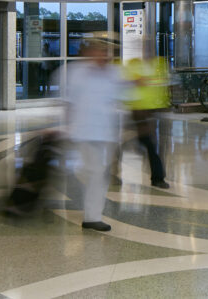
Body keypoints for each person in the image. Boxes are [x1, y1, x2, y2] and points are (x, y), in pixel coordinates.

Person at [65, 38, 123, 232]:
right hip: (85, 131)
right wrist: (66, 127)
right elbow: (69, 102)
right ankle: (92, 217)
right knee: (96, 173)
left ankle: (92, 215)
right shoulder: (76, 72)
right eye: (100, 51)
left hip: (105, 132)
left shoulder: (113, 73)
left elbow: (124, 95)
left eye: (106, 52)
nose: (104, 55)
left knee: (98, 173)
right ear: (89, 52)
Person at [123, 55, 171, 189]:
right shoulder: (134, 63)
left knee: (153, 145)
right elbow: (133, 84)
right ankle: (157, 177)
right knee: (148, 144)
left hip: (153, 111)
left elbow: (164, 85)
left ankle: (158, 177)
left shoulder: (160, 63)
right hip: (139, 112)